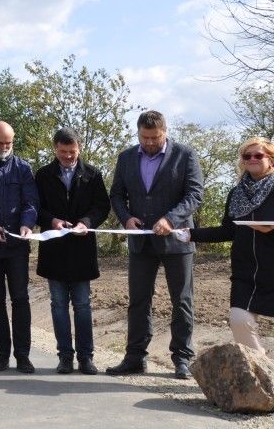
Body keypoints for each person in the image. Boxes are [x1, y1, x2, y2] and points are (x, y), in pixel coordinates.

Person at [107, 110, 203, 379]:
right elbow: (116, 194)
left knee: (182, 301)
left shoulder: (185, 155)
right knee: (138, 301)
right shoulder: (126, 157)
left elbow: (194, 195)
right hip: (141, 243)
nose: (149, 142)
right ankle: (135, 357)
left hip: (177, 241)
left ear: (165, 132)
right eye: (144, 137)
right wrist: (126, 218)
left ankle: (182, 359)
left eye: (155, 137)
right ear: (138, 133)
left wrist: (170, 219)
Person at [176, 137, 274, 353]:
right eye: (247, 156)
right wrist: (191, 234)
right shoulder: (236, 193)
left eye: (258, 155)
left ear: (271, 160)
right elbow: (227, 231)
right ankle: (263, 374)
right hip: (245, 273)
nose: (252, 159)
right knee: (239, 320)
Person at [34, 128, 111, 375]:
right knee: (58, 305)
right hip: (54, 250)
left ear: (79, 149)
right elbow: (35, 208)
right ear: (55, 148)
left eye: (73, 152)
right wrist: (53, 220)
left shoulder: (92, 174)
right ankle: (65, 357)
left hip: (82, 250)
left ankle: (86, 357)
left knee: (82, 305)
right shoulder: (43, 175)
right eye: (63, 152)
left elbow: (102, 206)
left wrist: (86, 222)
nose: (68, 156)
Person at [0, 121, 39, 374]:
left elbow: (31, 202)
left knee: (21, 299)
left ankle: (23, 355)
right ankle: (1, 354)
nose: (3, 148)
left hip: (17, 248)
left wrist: (27, 225)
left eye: (8, 144)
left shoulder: (23, 168)